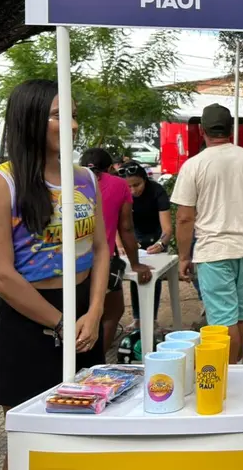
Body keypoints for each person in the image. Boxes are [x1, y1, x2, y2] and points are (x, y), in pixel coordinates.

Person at [0, 80, 109, 469]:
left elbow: (101, 250)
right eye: (57, 115)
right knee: (31, 444)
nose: (72, 125)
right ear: (29, 119)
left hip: (84, 315)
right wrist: (61, 324)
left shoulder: (85, 178)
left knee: (84, 434)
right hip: (29, 320)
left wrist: (95, 311)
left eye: (73, 115)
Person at [171, 104, 243, 364]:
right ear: (231, 129)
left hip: (213, 252)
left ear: (201, 129)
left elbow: (185, 217)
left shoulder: (194, 166)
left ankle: (229, 373)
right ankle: (237, 366)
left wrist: (183, 256)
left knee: (222, 319)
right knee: (242, 314)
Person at [79, 148, 153, 353]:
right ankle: (96, 358)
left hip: (70, 261)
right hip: (104, 261)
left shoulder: (69, 182)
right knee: (112, 311)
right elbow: (126, 228)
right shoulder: (119, 185)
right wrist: (136, 263)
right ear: (111, 168)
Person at [118, 161, 172, 330]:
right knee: (135, 277)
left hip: (155, 239)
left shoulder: (157, 191)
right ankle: (138, 318)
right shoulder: (120, 193)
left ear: (145, 179)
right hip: (133, 237)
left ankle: (151, 318)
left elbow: (167, 228)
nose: (133, 190)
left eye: (137, 185)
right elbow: (113, 223)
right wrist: (120, 245)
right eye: (129, 187)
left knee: (151, 278)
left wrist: (161, 244)